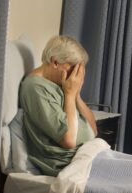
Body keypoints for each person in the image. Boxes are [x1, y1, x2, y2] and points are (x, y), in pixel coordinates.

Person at [19, 35, 98, 176]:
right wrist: (69, 94)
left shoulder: (62, 83)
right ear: (55, 62)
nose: (76, 75)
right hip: (68, 164)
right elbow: (69, 140)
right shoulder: (35, 88)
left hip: (88, 155)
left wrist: (77, 94)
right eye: (73, 68)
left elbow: (94, 129)